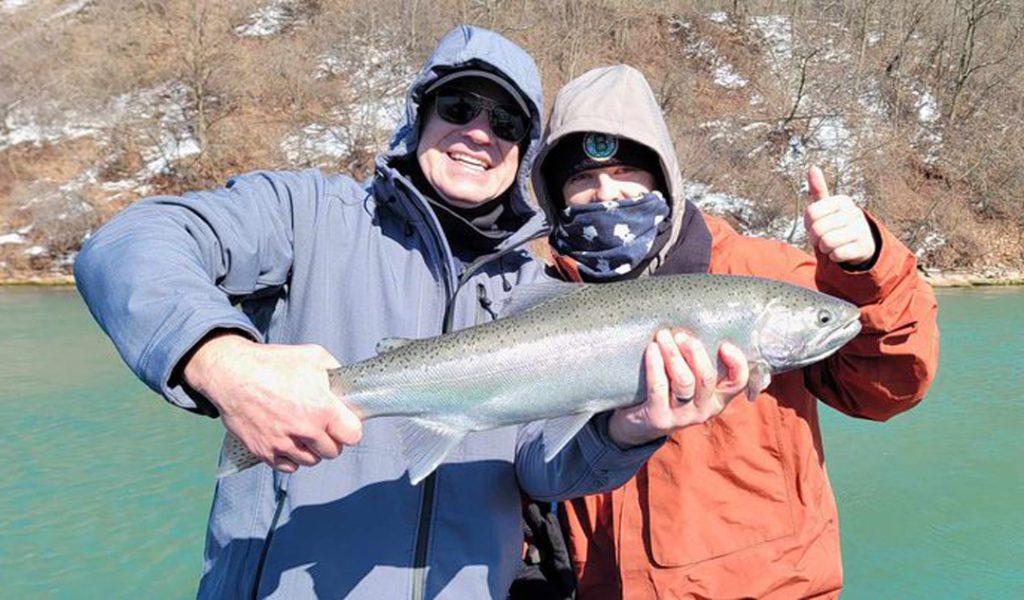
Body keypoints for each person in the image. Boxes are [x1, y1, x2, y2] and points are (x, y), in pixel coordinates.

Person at [74, 28, 747, 599]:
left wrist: (627, 431)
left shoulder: (536, 289)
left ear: (523, 154)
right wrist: (221, 361)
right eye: (459, 106)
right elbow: (128, 244)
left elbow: (541, 470)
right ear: (420, 116)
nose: (479, 134)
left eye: (507, 123)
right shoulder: (307, 215)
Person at [525, 65, 940, 599]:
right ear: (557, 197)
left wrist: (868, 269)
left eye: (627, 171)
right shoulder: (539, 303)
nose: (608, 194)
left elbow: (890, 387)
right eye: (582, 179)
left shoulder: (765, 274)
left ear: (662, 175)